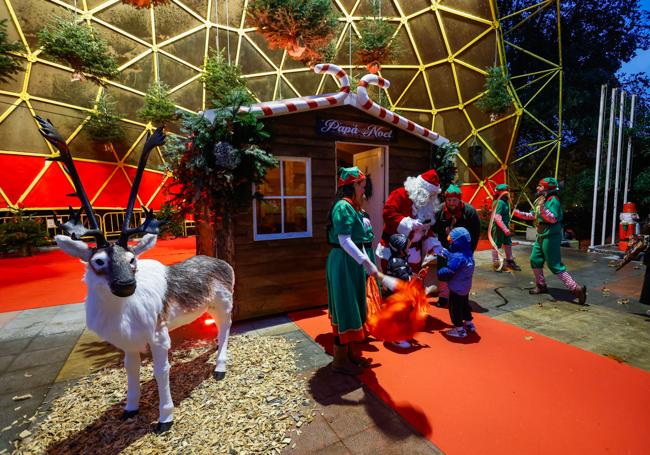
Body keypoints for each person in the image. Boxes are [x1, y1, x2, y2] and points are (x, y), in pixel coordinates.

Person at [375, 169, 443, 348]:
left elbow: (428, 230)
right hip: (394, 253)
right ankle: (394, 332)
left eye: (433, 195)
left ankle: (400, 328)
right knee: (398, 295)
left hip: (413, 254)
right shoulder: (399, 195)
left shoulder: (427, 206)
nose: (430, 198)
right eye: (428, 194)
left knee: (408, 294)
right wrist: (408, 223)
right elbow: (388, 214)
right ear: (420, 189)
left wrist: (435, 245)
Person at [326, 167, 379, 375]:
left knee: (353, 305)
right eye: (362, 186)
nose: (364, 191)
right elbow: (345, 240)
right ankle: (339, 363)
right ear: (353, 185)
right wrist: (366, 262)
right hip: (343, 262)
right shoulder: (343, 207)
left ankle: (349, 355)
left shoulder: (353, 207)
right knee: (345, 307)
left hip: (351, 263)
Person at [512, 177, 587, 304]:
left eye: (540, 186)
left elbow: (552, 218)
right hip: (541, 234)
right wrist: (517, 213)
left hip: (551, 235)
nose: (537, 188)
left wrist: (542, 207)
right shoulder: (540, 200)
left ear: (547, 189)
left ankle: (576, 289)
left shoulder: (554, 201)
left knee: (554, 264)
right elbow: (534, 215)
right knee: (535, 259)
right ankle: (541, 285)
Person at [432, 184, 481, 306]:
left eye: (454, 200)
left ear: (459, 199)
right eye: (449, 200)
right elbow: (432, 228)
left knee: (462, 274)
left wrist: (471, 250)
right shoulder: (439, 211)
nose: (452, 203)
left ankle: (462, 298)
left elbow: (476, 232)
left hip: (463, 250)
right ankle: (443, 296)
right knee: (443, 270)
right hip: (444, 247)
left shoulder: (470, 212)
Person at [437, 227, 476, 338]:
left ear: (457, 242)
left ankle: (459, 330)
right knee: (464, 305)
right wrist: (446, 253)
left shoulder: (458, 258)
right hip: (465, 288)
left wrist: (440, 272)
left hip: (456, 289)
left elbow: (449, 271)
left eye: (452, 241)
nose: (450, 242)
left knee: (455, 308)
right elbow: (456, 257)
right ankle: (469, 323)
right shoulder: (467, 253)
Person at [490, 183, 522, 272]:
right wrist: (505, 229)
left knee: (508, 243)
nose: (508, 193)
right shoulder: (499, 202)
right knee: (497, 244)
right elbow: (497, 217)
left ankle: (509, 261)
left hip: (504, 227)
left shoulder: (504, 202)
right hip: (499, 228)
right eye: (506, 191)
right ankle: (496, 263)